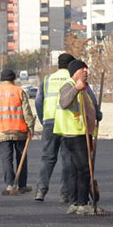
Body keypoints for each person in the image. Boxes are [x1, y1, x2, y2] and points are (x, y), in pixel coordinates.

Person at [56, 59, 104, 215]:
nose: (86, 72)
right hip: (75, 133)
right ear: (75, 71)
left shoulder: (85, 88)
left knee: (77, 169)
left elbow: (90, 106)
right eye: (83, 70)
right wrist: (77, 88)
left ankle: (75, 202)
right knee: (83, 169)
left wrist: (97, 114)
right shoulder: (69, 86)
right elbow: (64, 102)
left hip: (83, 132)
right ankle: (81, 203)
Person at [0, 67, 37, 195]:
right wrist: (31, 126)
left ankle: (9, 184)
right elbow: (26, 111)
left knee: (6, 159)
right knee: (21, 158)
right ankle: (21, 185)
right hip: (19, 130)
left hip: (1, 131)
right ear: (13, 79)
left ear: (1, 80)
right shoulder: (18, 91)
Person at [35, 53, 75, 202]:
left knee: (47, 158)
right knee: (67, 159)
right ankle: (64, 194)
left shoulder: (47, 80)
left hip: (50, 122)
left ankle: (41, 190)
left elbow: (39, 102)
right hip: (67, 123)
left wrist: (43, 119)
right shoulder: (72, 80)